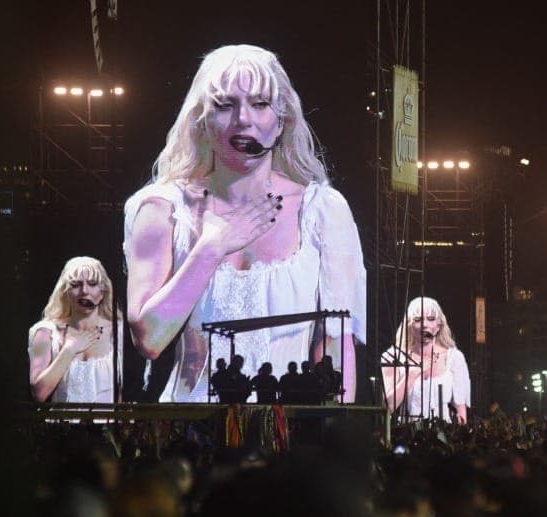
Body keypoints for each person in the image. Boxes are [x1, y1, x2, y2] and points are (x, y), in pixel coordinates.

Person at [123, 44, 366, 403]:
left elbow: (334, 345)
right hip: (189, 432)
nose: (243, 119)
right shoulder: (162, 208)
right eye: (225, 105)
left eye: (260, 103)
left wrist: (328, 444)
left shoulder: (323, 211)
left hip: (290, 434)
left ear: (281, 119)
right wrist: (210, 249)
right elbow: (149, 340)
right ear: (202, 120)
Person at [29, 257, 121, 403]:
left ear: (103, 291)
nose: (84, 291)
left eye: (92, 284)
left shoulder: (119, 332)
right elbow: (39, 393)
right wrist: (69, 350)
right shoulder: (46, 333)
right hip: (61, 425)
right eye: (76, 285)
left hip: (108, 425)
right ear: (65, 291)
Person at [380, 297, 471, 423]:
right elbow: (388, 406)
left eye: (431, 319)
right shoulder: (393, 357)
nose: (425, 325)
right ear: (410, 325)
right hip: (406, 434)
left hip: (444, 435)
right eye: (418, 320)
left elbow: (461, 410)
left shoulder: (454, 358)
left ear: (439, 325)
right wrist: (411, 374)